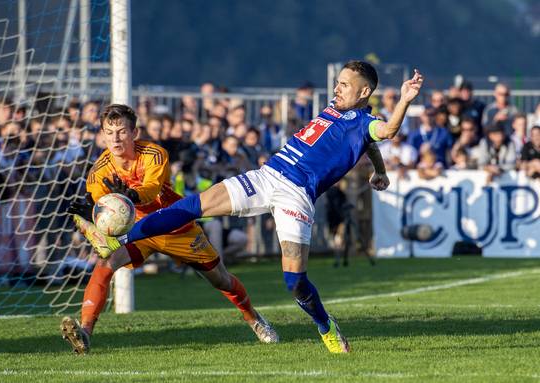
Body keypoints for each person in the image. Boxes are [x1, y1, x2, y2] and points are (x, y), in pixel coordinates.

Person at [81, 61, 424, 353]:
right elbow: (368, 144)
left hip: (296, 195)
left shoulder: (366, 122)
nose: (337, 89)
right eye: (338, 83)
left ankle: (325, 326)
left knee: (295, 282)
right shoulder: (335, 110)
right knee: (192, 205)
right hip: (267, 175)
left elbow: (386, 130)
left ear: (364, 92)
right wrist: (378, 170)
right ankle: (121, 241)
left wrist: (405, 100)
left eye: (345, 85)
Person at [61, 104, 278, 354]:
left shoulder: (154, 154)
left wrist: (130, 194)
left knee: (221, 280)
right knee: (104, 265)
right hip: (138, 231)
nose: (115, 138)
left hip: (174, 225)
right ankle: (85, 332)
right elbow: (103, 210)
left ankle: (254, 319)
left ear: (135, 133)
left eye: (121, 131)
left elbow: (152, 189)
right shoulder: (98, 172)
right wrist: (92, 213)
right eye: (109, 132)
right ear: (102, 134)